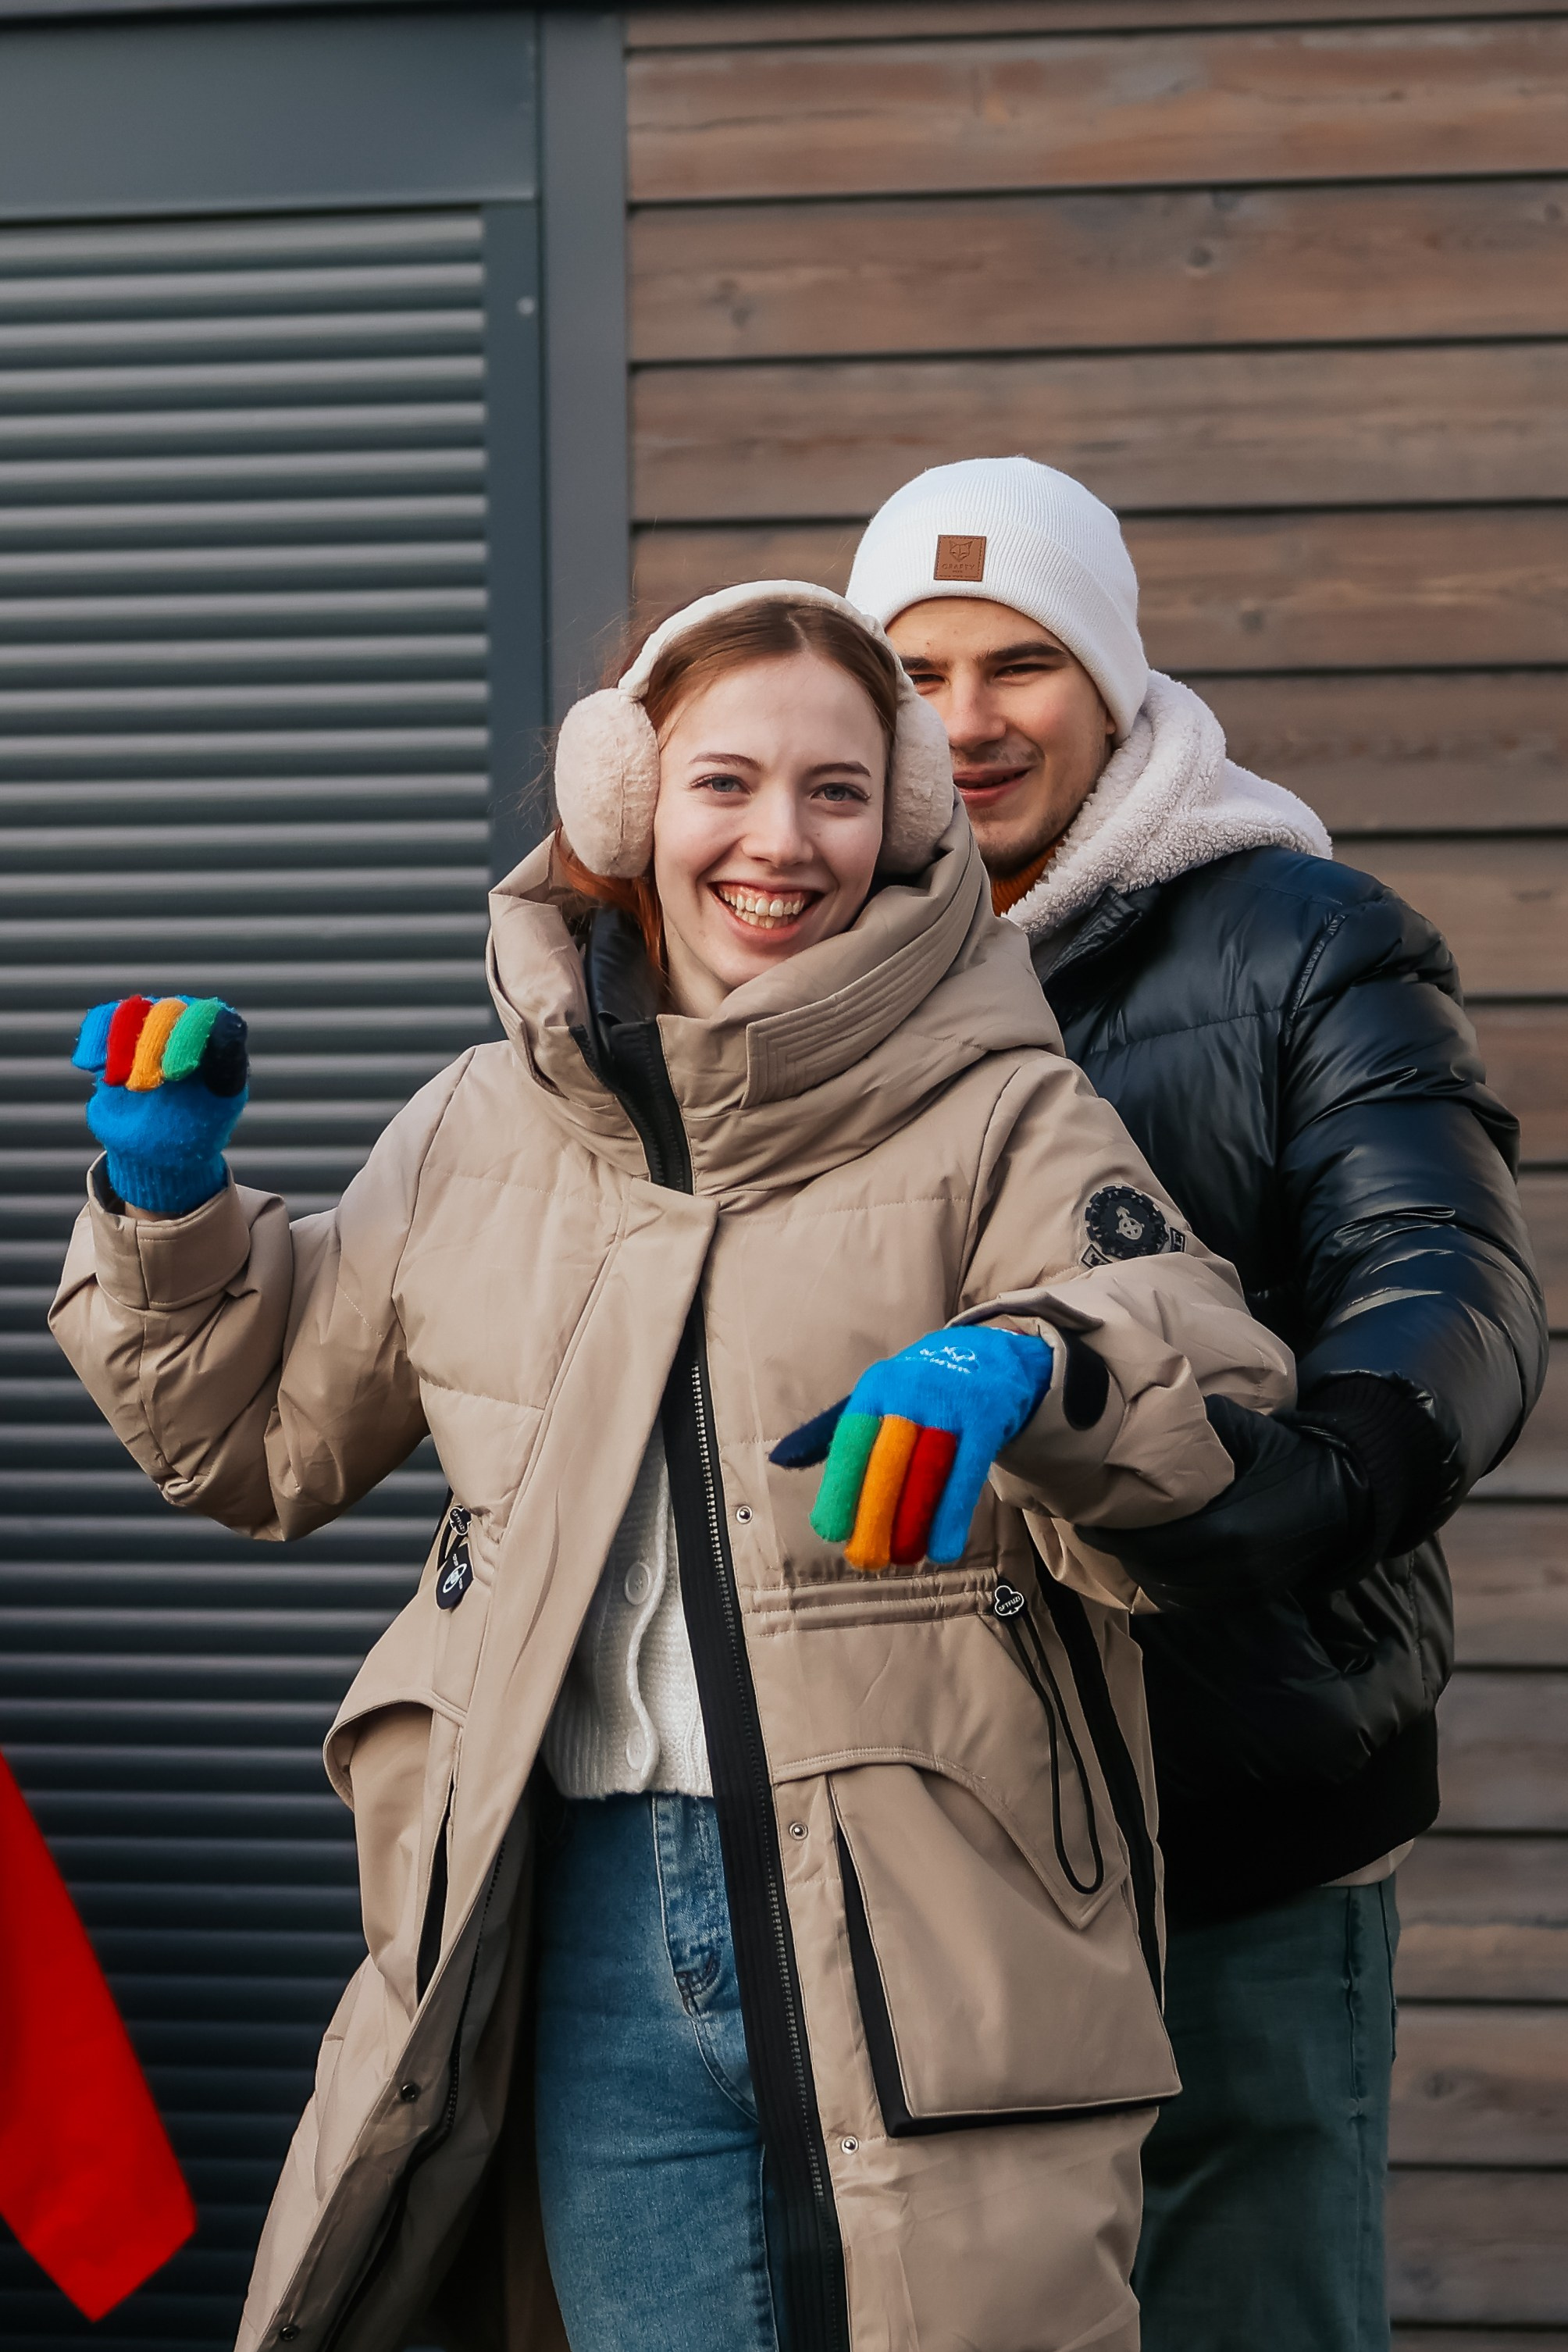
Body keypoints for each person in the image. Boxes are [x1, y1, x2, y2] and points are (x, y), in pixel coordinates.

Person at [51, 583, 1295, 2352]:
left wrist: (1026, 1363)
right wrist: (168, 1214)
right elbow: (246, 1447)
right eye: (725, 783)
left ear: (909, 821)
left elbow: (1202, 1360)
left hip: (932, 1923)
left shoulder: (1001, 1110)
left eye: (837, 792)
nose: (778, 842)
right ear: (630, 805)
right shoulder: (484, 1124)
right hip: (586, 1929)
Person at [849, 461, 1548, 2352]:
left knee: (1240, 2303)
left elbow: (1440, 1273)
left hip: (1224, 1791)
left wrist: (1284, 1499)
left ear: (1115, 683)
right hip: (922, 1820)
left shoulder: (1299, 937)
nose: (967, 721)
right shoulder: (802, 952)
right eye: (914, 669)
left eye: (1021, 664)